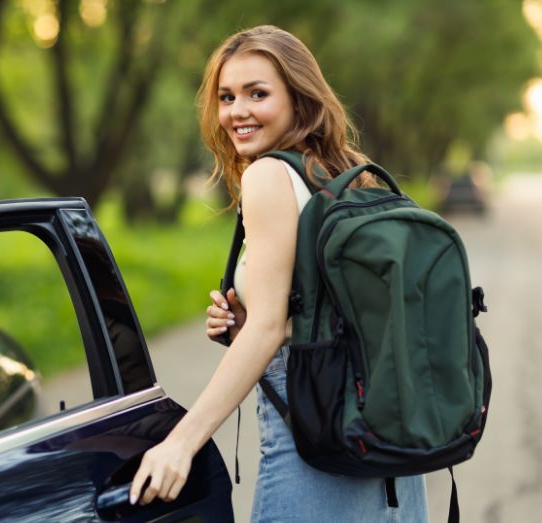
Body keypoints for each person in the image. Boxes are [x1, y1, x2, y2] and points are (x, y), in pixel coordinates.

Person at [130, 25, 429, 522]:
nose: (237, 111)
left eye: (257, 93)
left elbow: (269, 326)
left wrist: (180, 443)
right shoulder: (350, 172)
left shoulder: (268, 175)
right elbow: (341, 312)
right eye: (226, 96)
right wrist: (257, 324)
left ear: (299, 98)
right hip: (387, 446)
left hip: (314, 440)